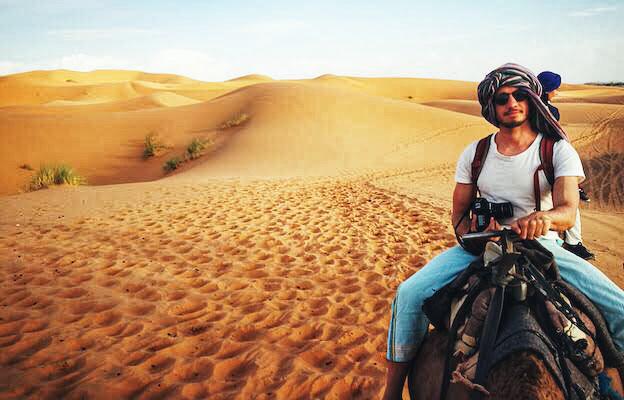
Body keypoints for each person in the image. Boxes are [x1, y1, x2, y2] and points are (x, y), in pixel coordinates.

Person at [382, 63, 624, 400]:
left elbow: (568, 211)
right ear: (491, 108)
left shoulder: (556, 150)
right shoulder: (477, 153)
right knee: (408, 295)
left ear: (532, 99)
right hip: (483, 247)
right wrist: (475, 233)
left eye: (520, 95)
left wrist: (544, 219)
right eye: (502, 98)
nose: (512, 103)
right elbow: (459, 214)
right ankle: (391, 392)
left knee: (620, 310)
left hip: (542, 245)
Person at [537, 70, 595, 260]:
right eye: (556, 88)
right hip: (546, 159)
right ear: (549, 90)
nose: (557, 92)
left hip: (536, 159)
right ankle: (573, 244)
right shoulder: (551, 111)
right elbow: (555, 137)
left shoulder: (528, 106)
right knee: (570, 203)